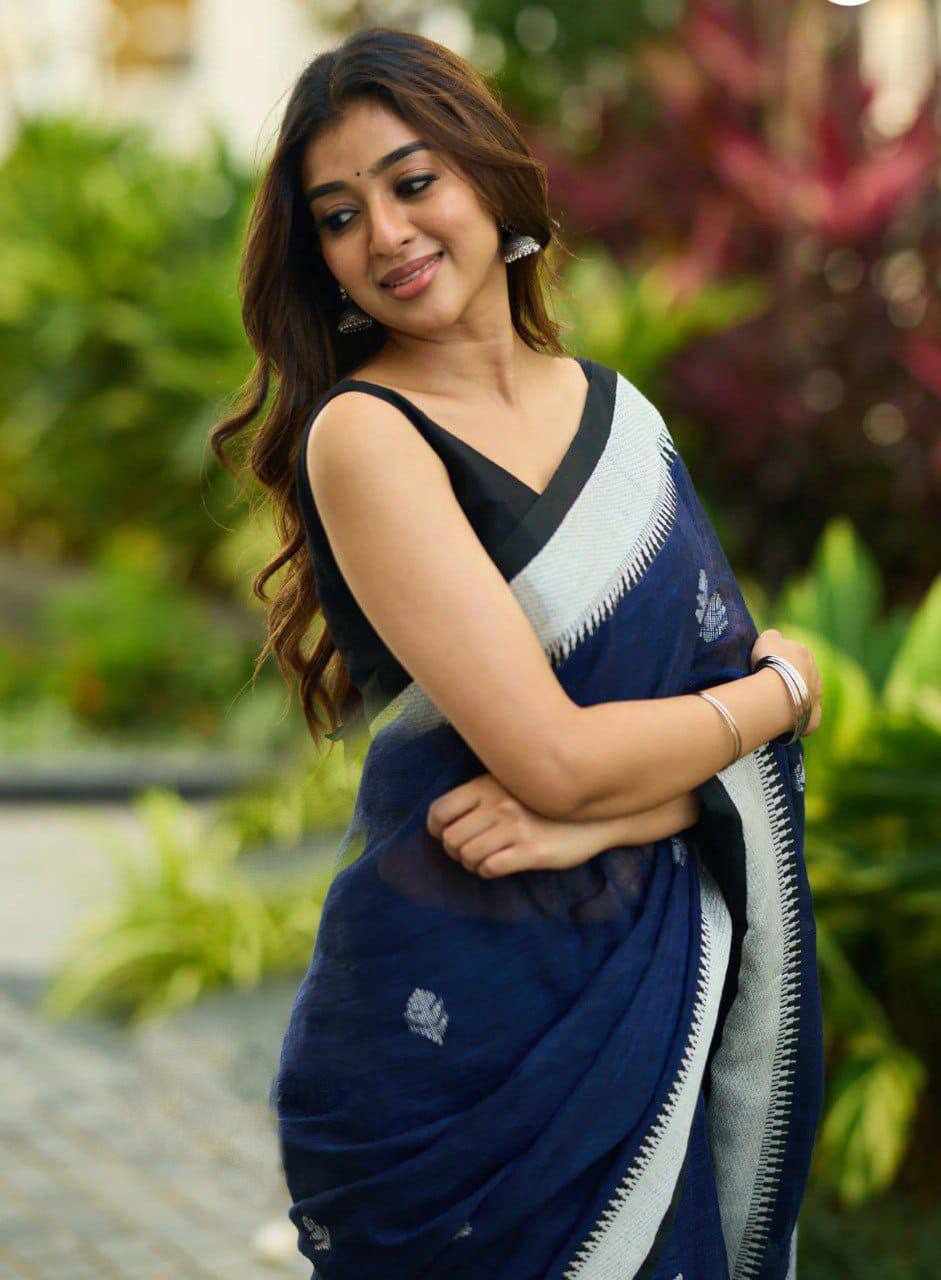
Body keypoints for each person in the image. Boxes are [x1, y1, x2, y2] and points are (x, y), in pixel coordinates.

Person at [210, 25, 825, 1280]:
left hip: (648, 996)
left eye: (411, 181)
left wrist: (624, 810)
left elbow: (651, 727)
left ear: (487, 177)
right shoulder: (366, 434)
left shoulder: (622, 417)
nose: (385, 233)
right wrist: (788, 690)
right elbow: (554, 757)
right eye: (339, 215)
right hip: (461, 1044)